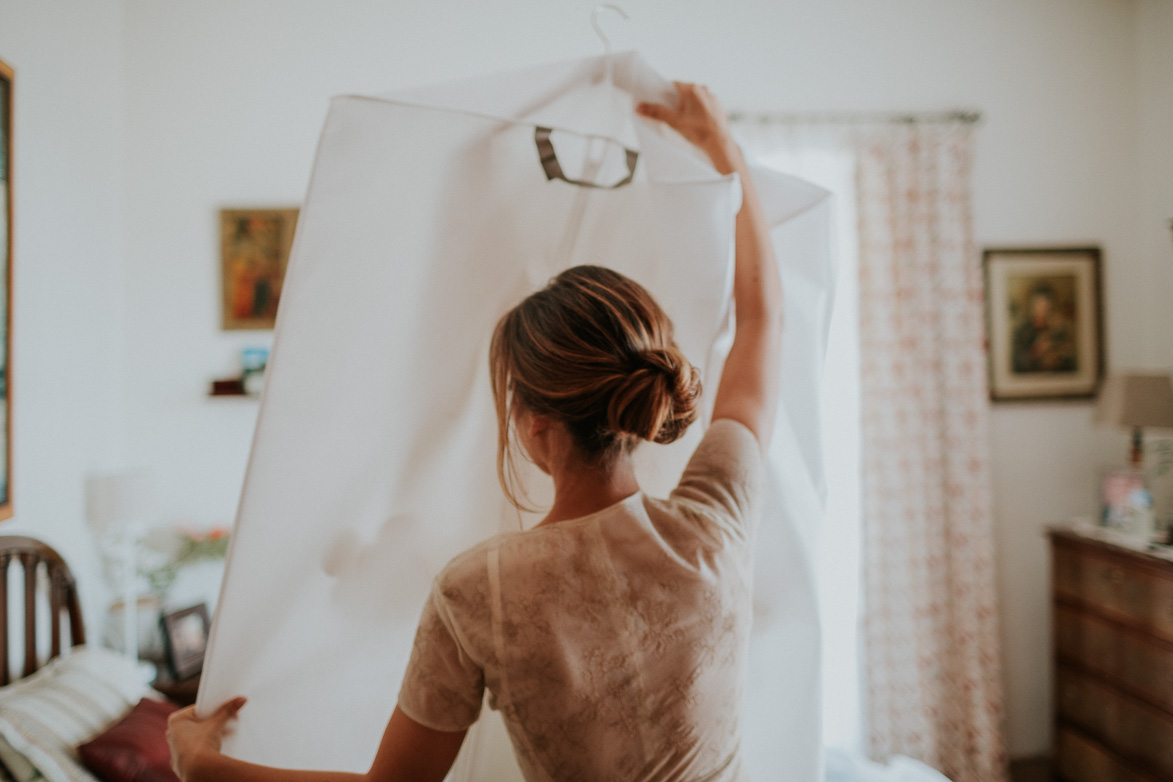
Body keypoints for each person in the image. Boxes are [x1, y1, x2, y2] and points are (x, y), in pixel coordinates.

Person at [167, 82, 782, 782]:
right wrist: (722, 146)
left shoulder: (478, 591)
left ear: (530, 422)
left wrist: (202, 765)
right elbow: (761, 319)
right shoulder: (717, 521)